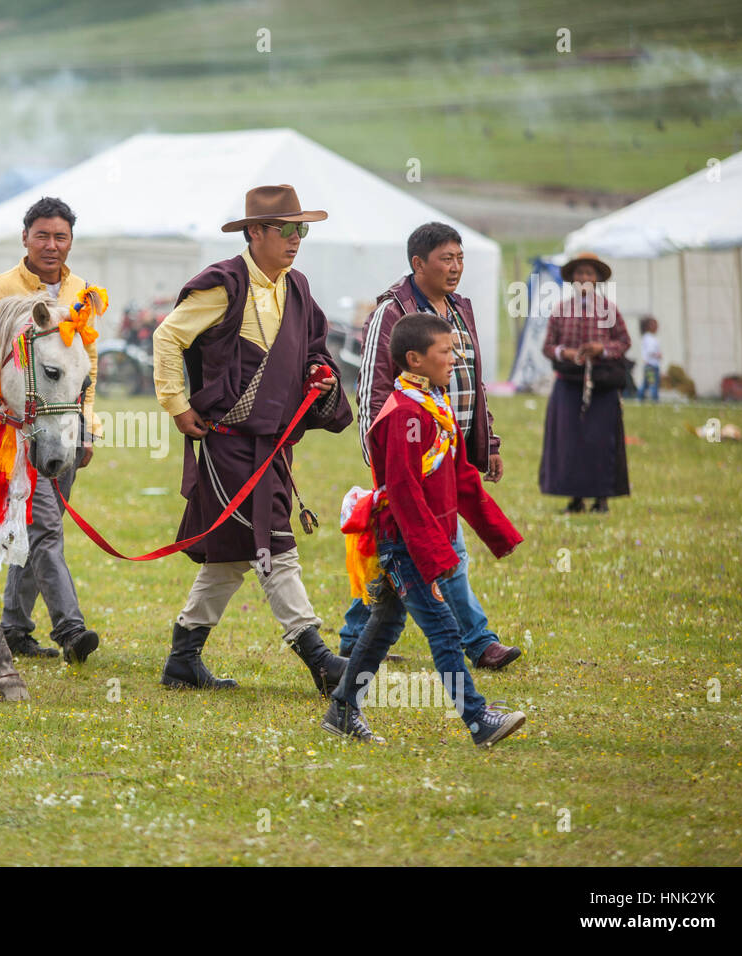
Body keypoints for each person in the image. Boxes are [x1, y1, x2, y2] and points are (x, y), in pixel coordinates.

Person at [152, 184, 353, 695]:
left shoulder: (298, 286)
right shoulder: (223, 283)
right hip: (228, 443)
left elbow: (314, 350)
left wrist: (319, 373)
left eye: (302, 229)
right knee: (274, 545)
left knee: (231, 555)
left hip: (274, 444)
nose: (296, 240)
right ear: (256, 232)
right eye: (287, 229)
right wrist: (177, 405)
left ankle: (182, 659)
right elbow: (167, 337)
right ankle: (321, 660)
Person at [323, 313, 527, 747]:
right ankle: (478, 720)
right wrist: (431, 552)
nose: (454, 358)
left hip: (418, 541)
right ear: (414, 360)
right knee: (444, 629)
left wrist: (498, 532)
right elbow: (402, 491)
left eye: (453, 350)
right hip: (405, 543)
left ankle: (342, 709)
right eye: (445, 351)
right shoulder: (404, 415)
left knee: (384, 626)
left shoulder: (434, 406)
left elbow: (462, 479)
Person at [340, 222, 521, 671]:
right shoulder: (392, 311)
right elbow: (372, 389)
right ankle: (478, 642)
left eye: (460, 257)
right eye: (446, 258)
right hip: (408, 451)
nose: (456, 267)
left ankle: (353, 636)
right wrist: (380, 455)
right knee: (442, 544)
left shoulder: (460, 310)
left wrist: (487, 441)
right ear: (418, 263)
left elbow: (471, 381)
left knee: (399, 548)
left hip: (450, 447)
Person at [0, 196, 102, 663]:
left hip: (65, 427)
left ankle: (13, 627)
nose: (52, 245)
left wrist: (85, 426)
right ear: (24, 237)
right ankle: (71, 630)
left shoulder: (85, 294)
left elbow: (86, 366)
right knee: (45, 525)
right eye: (42, 235)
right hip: (15, 430)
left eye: (61, 236)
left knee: (37, 528)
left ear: (71, 241)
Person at [540, 251, 632, 514]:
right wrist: (565, 353)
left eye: (589, 273)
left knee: (600, 441)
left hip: (601, 385)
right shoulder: (560, 310)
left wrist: (600, 349)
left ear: (598, 279)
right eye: (579, 273)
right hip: (568, 383)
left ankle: (601, 498)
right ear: (572, 279)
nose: (584, 278)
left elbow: (624, 342)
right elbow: (548, 346)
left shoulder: (609, 310)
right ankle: (575, 498)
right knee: (570, 442)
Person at [638, 315, 662, 401]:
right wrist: (658, 355)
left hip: (650, 366)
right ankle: (654, 400)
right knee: (653, 384)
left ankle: (640, 398)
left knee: (646, 384)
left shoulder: (649, 337)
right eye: (655, 324)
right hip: (651, 366)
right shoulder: (649, 338)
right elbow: (650, 351)